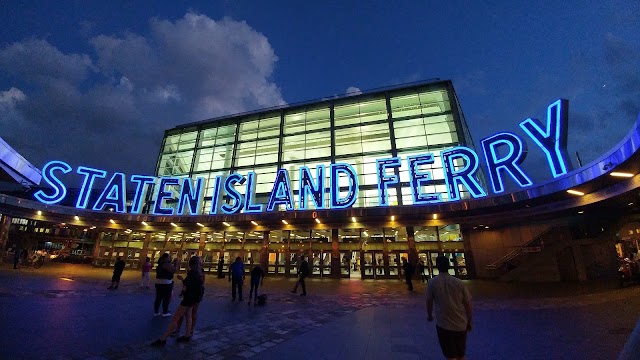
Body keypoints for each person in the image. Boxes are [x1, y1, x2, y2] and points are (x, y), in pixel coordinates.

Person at [151, 256, 204, 346]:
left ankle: (163, 338)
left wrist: (182, 281)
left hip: (188, 298)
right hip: (194, 299)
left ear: (190, 264)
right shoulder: (199, 273)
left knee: (176, 317)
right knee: (188, 316)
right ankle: (187, 334)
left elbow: (187, 285)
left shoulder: (192, 273)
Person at [427, 255, 472, 360]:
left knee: (450, 355)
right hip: (460, 323)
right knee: (461, 354)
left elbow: (429, 301)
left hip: (444, 323)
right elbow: (468, 304)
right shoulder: (459, 282)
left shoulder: (433, 282)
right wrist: (469, 320)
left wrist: (429, 315)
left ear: (437, 266)